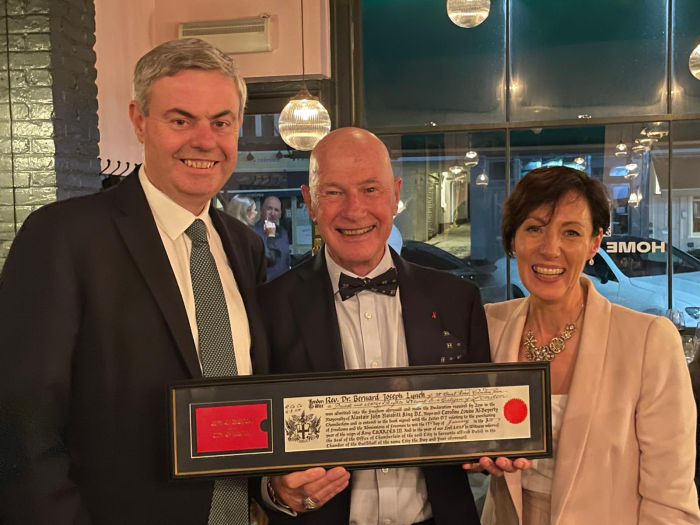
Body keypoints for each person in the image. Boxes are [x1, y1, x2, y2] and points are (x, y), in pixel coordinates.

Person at [0, 38, 269, 524]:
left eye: (221, 122)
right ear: (140, 120)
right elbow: (22, 425)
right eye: (181, 119)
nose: (204, 140)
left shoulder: (245, 247)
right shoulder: (62, 237)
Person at [257, 127, 528, 525]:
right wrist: (275, 491)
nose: (354, 210)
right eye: (333, 192)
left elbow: (478, 425)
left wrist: (493, 448)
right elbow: (251, 440)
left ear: (396, 193)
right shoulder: (267, 308)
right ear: (310, 202)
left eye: (370, 189)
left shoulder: (458, 299)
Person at [478, 166, 700, 524]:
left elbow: (671, 500)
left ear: (594, 243)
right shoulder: (488, 325)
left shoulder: (649, 341)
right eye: (534, 229)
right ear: (512, 240)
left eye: (570, 232)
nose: (550, 249)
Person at [254, 196, 291, 281]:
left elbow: (286, 260)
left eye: (276, 210)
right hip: (264, 287)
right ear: (261, 210)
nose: (272, 213)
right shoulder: (253, 232)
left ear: (280, 214)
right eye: (269, 209)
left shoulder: (283, 233)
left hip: (283, 284)